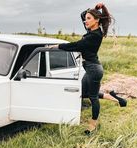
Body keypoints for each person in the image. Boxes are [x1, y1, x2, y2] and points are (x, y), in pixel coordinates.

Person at [48, 3, 127, 135]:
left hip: (94, 70)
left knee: (93, 98)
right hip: (90, 68)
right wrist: (96, 9)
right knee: (84, 93)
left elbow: (77, 45)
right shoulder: (91, 31)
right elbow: (82, 15)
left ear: (96, 20)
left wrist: (57, 46)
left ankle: (93, 124)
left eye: (89, 18)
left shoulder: (95, 35)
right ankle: (114, 97)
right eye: (86, 19)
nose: (85, 20)